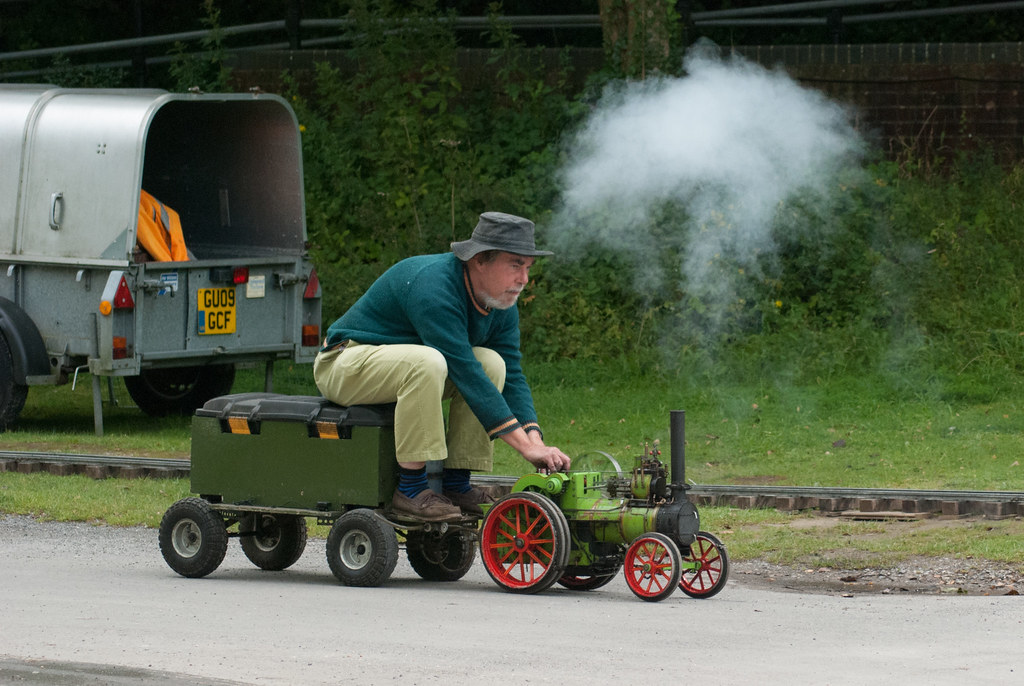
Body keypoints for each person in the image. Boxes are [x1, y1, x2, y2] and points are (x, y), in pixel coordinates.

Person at [313, 212, 571, 522]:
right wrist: (523, 449)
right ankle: (410, 490)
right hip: (344, 363)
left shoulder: (500, 301)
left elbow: (512, 376)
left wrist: (536, 441)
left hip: (402, 367)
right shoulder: (434, 286)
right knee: (430, 361)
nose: (524, 279)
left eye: (528, 267)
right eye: (515, 265)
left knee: (493, 363)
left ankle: (457, 485)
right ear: (479, 261)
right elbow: (463, 370)